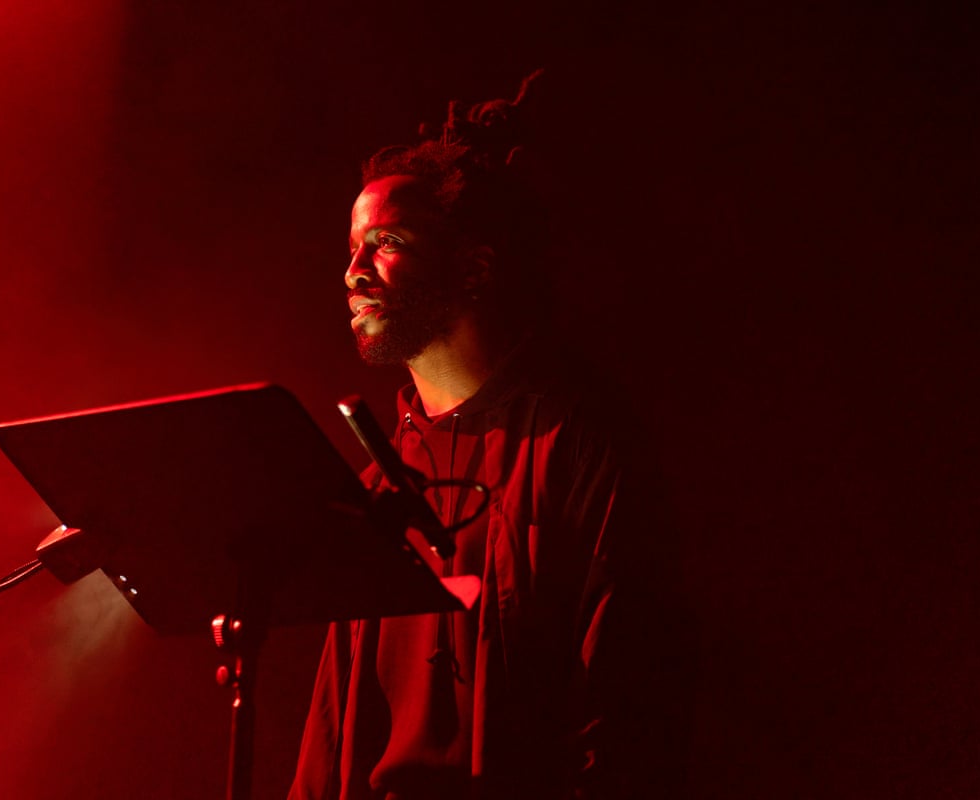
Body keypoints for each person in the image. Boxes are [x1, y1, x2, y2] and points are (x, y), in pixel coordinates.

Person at [289, 71, 691, 800]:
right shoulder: (384, 484)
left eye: (385, 243)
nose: (351, 272)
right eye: (352, 248)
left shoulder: (579, 441)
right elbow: (329, 738)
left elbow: (627, 703)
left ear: (474, 268)